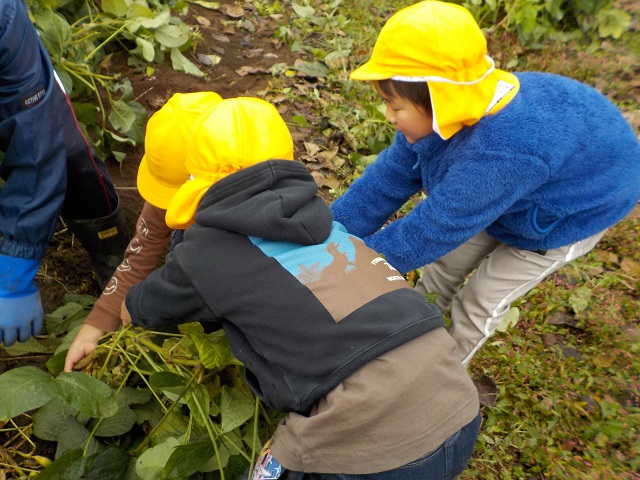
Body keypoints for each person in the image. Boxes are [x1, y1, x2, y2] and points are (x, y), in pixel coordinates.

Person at [121, 97, 481, 479]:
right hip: (457, 402)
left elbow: (139, 310)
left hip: (374, 439)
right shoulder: (321, 219)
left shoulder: (204, 253)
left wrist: (133, 301)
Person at [330, 0, 640, 365]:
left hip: (571, 208)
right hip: (510, 185)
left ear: (441, 100)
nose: (388, 115)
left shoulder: (499, 154)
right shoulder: (441, 117)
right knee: (442, 267)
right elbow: (385, 182)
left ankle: (444, 375)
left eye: (395, 107)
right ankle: (412, 334)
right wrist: (325, 235)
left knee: (480, 299)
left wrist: (343, 272)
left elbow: (430, 230)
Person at [63, 91, 223, 372]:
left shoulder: (263, 211)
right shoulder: (174, 178)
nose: (171, 208)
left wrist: (148, 304)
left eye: (183, 200)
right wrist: (96, 325)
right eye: (169, 198)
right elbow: (140, 254)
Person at [0, 0, 130, 347]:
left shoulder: (3, 17)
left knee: (69, 151)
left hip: (13, 84)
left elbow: (37, 139)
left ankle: (114, 257)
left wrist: (16, 268)